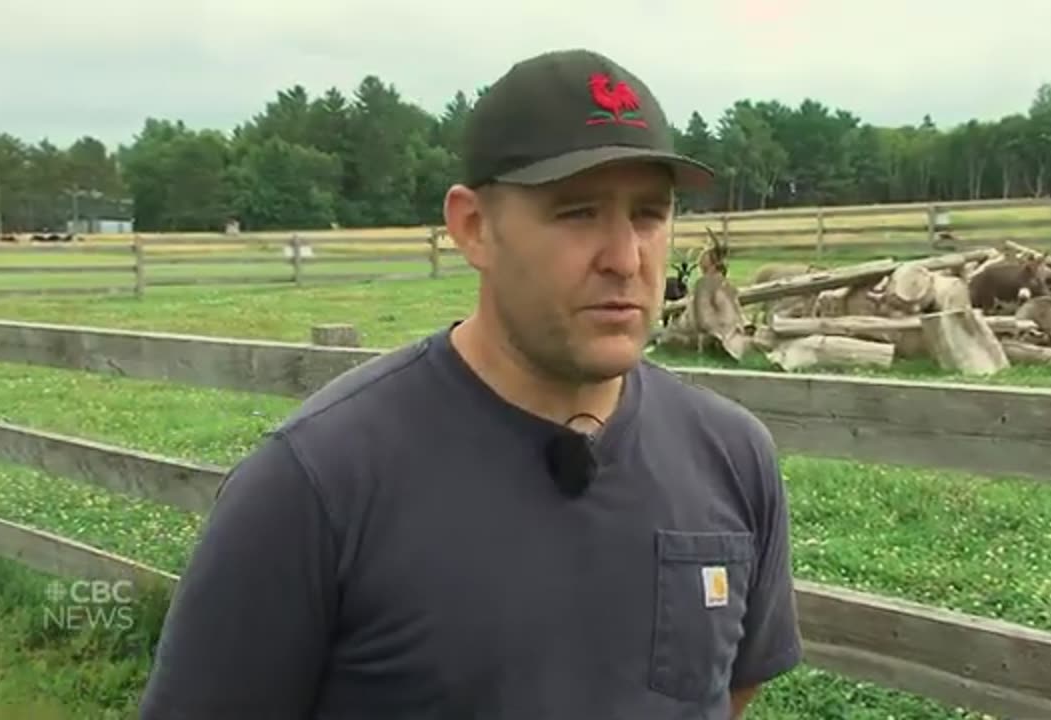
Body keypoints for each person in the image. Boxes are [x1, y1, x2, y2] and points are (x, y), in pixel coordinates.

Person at [138, 47, 802, 719]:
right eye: (577, 213)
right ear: (474, 228)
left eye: (649, 215)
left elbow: (726, 694)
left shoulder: (732, 459)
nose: (625, 258)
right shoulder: (315, 485)